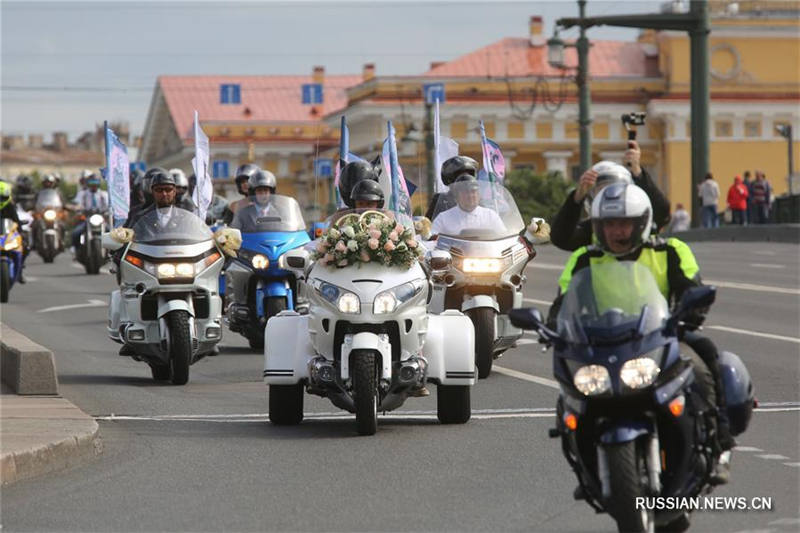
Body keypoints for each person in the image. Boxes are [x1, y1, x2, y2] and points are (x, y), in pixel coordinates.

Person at [552, 182, 735, 483]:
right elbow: (563, 299)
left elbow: (692, 285)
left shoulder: (670, 250)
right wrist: (554, 325)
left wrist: (692, 309)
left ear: (642, 222)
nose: (616, 231)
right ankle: (582, 459)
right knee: (569, 387)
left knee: (705, 356)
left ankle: (721, 441)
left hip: (660, 336)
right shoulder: (584, 258)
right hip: (602, 344)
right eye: (608, 224)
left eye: (624, 223)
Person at [550, 142, 671, 251]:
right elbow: (560, 238)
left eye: (615, 188)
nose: (616, 232)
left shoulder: (640, 222)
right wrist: (577, 197)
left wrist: (637, 172)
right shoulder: (593, 228)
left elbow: (662, 212)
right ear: (591, 197)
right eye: (602, 190)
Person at [430, 174, 505, 238]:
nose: (470, 196)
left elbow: (504, 238)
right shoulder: (443, 218)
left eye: (473, 192)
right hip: (454, 254)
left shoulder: (491, 215)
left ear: (478, 195)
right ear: (457, 195)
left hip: (488, 254)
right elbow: (431, 241)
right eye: (465, 192)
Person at [424, 155, 479, 220]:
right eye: (460, 179)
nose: (464, 182)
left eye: (468, 177)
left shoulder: (477, 199)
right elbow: (429, 224)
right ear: (449, 180)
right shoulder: (441, 200)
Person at [69, 173, 109, 254]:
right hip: (87, 218)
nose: (94, 185)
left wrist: (109, 210)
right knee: (76, 232)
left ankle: (113, 252)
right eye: (92, 183)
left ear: (99, 183)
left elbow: (108, 205)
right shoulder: (83, 194)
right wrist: (77, 208)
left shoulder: (103, 194)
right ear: (88, 184)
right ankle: (75, 248)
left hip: (100, 219)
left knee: (111, 233)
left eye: (95, 183)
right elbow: (77, 204)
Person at [0, 181, 26, 283]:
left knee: (25, 245)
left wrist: (21, 231)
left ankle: (20, 272)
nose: (1, 200)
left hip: (7, 236)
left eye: (3, 197)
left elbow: (16, 221)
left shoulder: (10, 206)